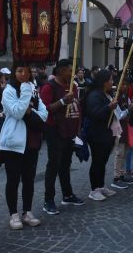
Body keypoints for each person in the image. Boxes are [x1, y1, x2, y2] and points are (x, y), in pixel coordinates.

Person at [0, 62, 48, 230]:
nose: (23, 74)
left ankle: (27, 211)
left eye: (26, 71)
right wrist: (26, 94)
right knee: (13, 180)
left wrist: (30, 110)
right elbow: (18, 112)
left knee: (29, 180)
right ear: (14, 72)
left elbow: (44, 113)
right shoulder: (9, 91)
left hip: (32, 142)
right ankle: (13, 214)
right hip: (14, 143)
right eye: (20, 71)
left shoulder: (33, 91)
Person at [39, 59, 85, 215]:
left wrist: (78, 130)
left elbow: (78, 107)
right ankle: (49, 200)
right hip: (55, 131)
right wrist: (63, 101)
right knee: (54, 165)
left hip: (69, 131)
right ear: (60, 71)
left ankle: (67, 194)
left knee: (66, 164)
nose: (72, 74)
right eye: (69, 70)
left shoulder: (72, 87)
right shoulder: (48, 87)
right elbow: (45, 109)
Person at [84, 69, 118, 201]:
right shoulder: (94, 95)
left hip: (106, 132)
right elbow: (94, 114)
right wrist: (109, 107)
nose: (112, 82)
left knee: (103, 161)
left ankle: (101, 185)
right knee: (97, 161)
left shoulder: (106, 94)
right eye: (110, 79)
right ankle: (94, 189)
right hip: (96, 133)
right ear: (104, 82)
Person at [111, 77, 133, 189]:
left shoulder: (126, 96)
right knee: (119, 152)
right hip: (118, 127)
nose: (125, 87)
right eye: (123, 84)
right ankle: (116, 177)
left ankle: (122, 174)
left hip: (126, 126)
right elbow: (119, 115)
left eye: (126, 85)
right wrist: (128, 110)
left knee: (125, 151)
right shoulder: (115, 97)